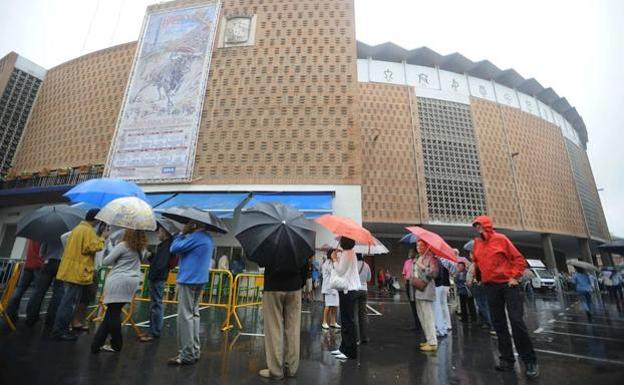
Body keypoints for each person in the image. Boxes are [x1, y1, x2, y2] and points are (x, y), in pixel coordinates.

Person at [472, 215, 538, 378]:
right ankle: (507, 359)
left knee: (516, 321)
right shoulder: (477, 244)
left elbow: (519, 259)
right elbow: (479, 264)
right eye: (475, 226)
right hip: (490, 287)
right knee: (498, 323)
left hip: (508, 285)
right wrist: (478, 277)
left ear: (487, 225)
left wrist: (514, 277)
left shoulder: (501, 239)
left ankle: (529, 360)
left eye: (479, 225)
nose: (477, 228)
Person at [257, 236, 308, 379]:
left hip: (273, 286)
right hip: (294, 287)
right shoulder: (298, 240)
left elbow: (261, 262)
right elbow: (305, 265)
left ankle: (276, 370)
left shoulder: (269, 238)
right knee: (293, 329)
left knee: (274, 328)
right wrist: (300, 283)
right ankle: (291, 368)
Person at [51, 209, 106, 341]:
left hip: (70, 270)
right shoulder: (87, 231)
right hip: (77, 272)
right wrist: (103, 238)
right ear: (96, 220)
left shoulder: (78, 228)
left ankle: (60, 328)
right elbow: (91, 247)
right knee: (68, 303)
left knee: (67, 301)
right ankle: (60, 331)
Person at [91, 229, 146, 353]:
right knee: (112, 312)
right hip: (132, 281)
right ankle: (97, 344)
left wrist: (106, 243)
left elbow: (105, 262)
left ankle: (117, 344)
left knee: (113, 312)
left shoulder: (123, 245)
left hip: (118, 280)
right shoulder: (142, 248)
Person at [167, 220, 214, 366]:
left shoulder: (195, 237)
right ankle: (194, 350)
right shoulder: (208, 238)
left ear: (195, 225)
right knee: (194, 315)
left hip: (188, 280)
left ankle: (186, 354)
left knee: (185, 317)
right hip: (200, 280)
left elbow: (174, 248)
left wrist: (182, 232)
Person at [140, 225, 174, 342]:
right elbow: (159, 261)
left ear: (165, 232)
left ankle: (154, 332)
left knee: (156, 305)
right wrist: (150, 256)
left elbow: (160, 264)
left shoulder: (166, 245)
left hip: (158, 277)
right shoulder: (166, 245)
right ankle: (152, 330)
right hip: (159, 276)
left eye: (159, 231)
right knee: (155, 304)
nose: (157, 234)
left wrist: (153, 273)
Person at [330, 236, 361, 360]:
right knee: (346, 320)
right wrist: (338, 257)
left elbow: (340, 271)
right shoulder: (350, 253)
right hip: (349, 289)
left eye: (342, 240)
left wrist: (334, 259)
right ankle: (344, 348)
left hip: (347, 290)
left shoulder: (347, 254)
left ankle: (350, 352)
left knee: (347, 321)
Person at [25, 240, 64, 327]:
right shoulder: (69, 235)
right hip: (62, 264)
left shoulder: (50, 234)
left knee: (38, 291)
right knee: (58, 293)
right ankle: (50, 320)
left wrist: (45, 257)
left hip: (48, 262)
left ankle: (31, 318)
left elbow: (41, 251)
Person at [6, 239, 43, 323]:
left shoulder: (32, 235)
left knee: (20, 289)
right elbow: (43, 251)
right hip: (39, 265)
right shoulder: (43, 235)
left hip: (28, 264)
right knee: (37, 292)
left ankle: (10, 312)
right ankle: (31, 316)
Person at [412, 240, 439, 352]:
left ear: (426, 246)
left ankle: (433, 342)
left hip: (426, 289)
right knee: (422, 317)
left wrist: (422, 266)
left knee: (428, 317)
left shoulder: (431, 258)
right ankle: (429, 339)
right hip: (418, 289)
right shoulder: (419, 257)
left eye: (421, 245)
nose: (418, 247)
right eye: (417, 245)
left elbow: (434, 273)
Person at [466, 259, 495, 335]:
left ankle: (491, 324)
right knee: (482, 305)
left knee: (482, 305)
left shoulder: (477, 264)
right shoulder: (479, 263)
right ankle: (485, 322)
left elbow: (473, 274)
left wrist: (472, 281)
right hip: (480, 285)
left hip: (478, 285)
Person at [433, 253, 454, 337]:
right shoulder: (447, 260)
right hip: (446, 284)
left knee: (438, 305)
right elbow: (453, 271)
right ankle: (447, 324)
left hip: (440, 284)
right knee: (444, 305)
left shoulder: (438, 260)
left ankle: (442, 325)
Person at [402, 249, 421, 331]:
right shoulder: (407, 262)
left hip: (416, 283)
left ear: (415, 253)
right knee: (412, 304)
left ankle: (420, 324)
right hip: (408, 283)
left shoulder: (418, 261)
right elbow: (404, 273)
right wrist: (406, 282)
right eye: (409, 252)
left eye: (411, 252)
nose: (409, 253)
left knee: (418, 305)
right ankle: (417, 324)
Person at [321, 249, 340, 330]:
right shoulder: (327, 263)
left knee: (335, 306)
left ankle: (333, 321)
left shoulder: (332, 262)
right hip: (328, 287)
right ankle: (324, 322)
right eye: (334, 253)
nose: (335, 255)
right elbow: (333, 272)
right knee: (328, 305)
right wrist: (336, 261)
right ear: (330, 254)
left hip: (334, 287)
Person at [355, 253, 371, 344]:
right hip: (364, 291)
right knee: (363, 315)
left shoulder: (354, 265)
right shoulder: (367, 265)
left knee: (355, 315)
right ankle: (364, 337)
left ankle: (357, 339)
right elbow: (369, 279)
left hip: (355, 290)